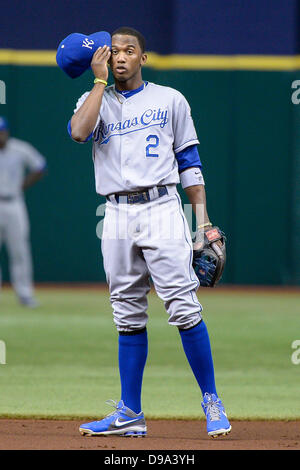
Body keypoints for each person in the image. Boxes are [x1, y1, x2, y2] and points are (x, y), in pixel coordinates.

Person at [68, 26, 231, 438]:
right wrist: (98, 80)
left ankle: (212, 401)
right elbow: (77, 132)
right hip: (116, 214)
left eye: (129, 50)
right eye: (114, 51)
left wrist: (203, 222)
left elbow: (190, 164)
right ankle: (130, 412)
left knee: (182, 305)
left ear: (143, 57)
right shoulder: (94, 99)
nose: (121, 56)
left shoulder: (170, 99)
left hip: (161, 206)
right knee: (126, 310)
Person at [0, 117, 47, 307]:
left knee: (19, 250)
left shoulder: (19, 149)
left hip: (14, 202)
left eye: (2, 131)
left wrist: (23, 185)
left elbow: (40, 166)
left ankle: (25, 293)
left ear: (7, 132)